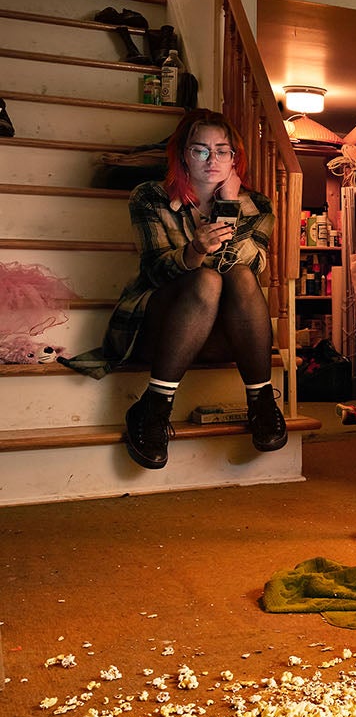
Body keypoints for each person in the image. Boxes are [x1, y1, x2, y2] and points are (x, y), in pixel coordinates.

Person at [63, 109, 287, 469]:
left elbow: (245, 264)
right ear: (183, 154)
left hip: (223, 336)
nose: (212, 160)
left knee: (241, 276)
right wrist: (194, 250)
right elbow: (155, 271)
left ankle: (261, 401)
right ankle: (152, 410)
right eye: (200, 150)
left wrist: (228, 207)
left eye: (222, 151)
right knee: (205, 279)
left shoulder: (258, 206)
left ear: (234, 158)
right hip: (161, 329)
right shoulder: (149, 197)